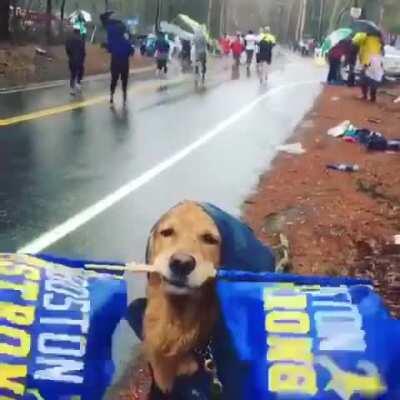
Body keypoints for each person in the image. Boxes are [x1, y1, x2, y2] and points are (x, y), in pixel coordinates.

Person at [353, 32, 384, 102]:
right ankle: (372, 97)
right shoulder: (379, 40)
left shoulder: (364, 38)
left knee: (364, 80)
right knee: (374, 80)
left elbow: (355, 42)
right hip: (376, 61)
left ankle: (365, 95)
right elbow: (382, 51)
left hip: (368, 61)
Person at [65, 25, 86, 95]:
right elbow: (83, 50)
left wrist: (70, 56)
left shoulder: (69, 39)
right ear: (79, 32)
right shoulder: (81, 39)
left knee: (73, 74)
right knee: (81, 71)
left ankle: (72, 89)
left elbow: (67, 49)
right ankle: (78, 84)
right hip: (79, 59)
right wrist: (83, 58)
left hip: (72, 59)